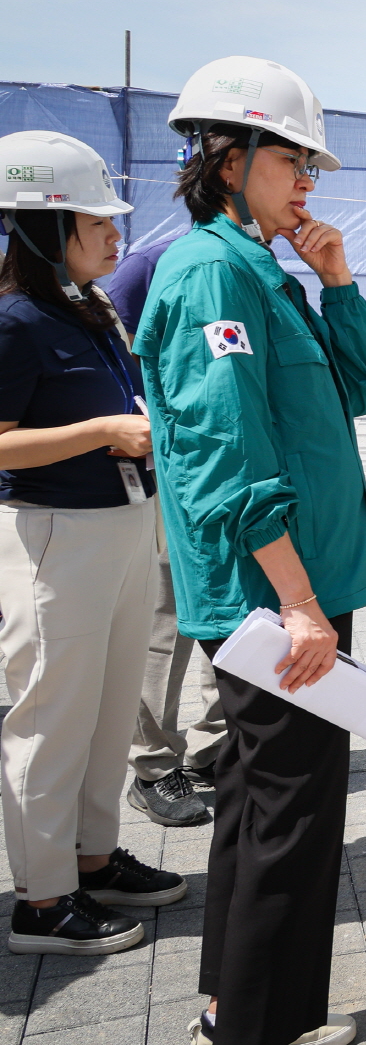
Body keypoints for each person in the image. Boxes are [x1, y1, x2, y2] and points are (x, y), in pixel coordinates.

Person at [136, 56, 366, 1045]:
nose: (309, 184)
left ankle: (229, 1008)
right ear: (226, 157)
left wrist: (337, 283)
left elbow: (360, 391)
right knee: (291, 814)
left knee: (254, 800)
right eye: (292, 162)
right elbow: (228, 458)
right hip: (275, 596)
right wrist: (298, 604)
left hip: (303, 583)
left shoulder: (268, 272)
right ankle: (255, 1026)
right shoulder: (209, 275)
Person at [0, 131, 187, 956]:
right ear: (46, 227)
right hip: (52, 538)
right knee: (49, 719)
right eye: (97, 221)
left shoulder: (91, 305)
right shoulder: (13, 319)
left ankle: (94, 858)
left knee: (109, 713)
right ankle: (42, 900)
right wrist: (101, 429)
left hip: (117, 527)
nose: (117, 235)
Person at [103, 231, 226, 827]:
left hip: (233, 474)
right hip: (171, 472)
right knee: (167, 617)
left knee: (232, 612)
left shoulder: (254, 264)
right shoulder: (151, 266)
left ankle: (214, 745)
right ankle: (152, 765)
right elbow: (118, 360)